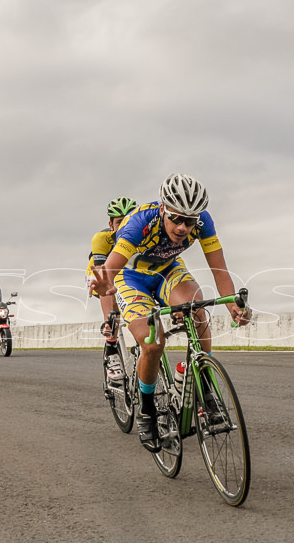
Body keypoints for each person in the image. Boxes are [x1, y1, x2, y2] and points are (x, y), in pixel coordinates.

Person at [88, 174, 251, 452]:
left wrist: (233, 304)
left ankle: (207, 389)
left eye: (190, 221)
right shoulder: (140, 222)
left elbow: (218, 267)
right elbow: (114, 264)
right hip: (132, 277)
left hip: (167, 271)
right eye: (176, 218)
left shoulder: (202, 222)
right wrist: (103, 280)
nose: (183, 227)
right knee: (152, 344)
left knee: (197, 307)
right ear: (164, 209)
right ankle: (148, 409)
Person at [86, 196, 138, 384]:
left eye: (129, 220)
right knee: (107, 290)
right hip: (100, 272)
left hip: (127, 273)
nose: (124, 226)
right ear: (110, 223)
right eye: (119, 222)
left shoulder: (141, 234)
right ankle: (111, 345)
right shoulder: (102, 238)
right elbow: (104, 277)